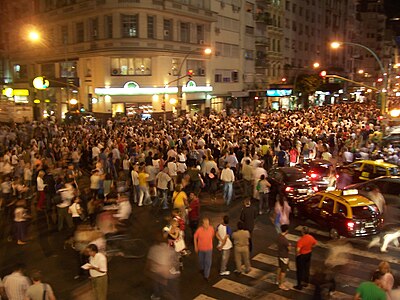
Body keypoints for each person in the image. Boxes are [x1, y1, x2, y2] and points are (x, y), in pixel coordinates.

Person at [194, 217, 215, 281]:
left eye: (208, 223)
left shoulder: (211, 229)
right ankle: (202, 269)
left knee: (208, 262)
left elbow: (212, 236)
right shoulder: (199, 230)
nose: (207, 225)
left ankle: (206, 275)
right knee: (201, 260)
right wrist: (196, 246)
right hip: (201, 249)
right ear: (202, 224)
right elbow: (195, 237)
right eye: (205, 224)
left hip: (209, 249)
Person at [277, 224, 291, 291]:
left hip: (279, 254)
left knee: (279, 267)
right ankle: (281, 284)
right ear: (287, 230)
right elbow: (289, 249)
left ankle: (277, 280)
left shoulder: (279, 236)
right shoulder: (285, 240)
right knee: (283, 271)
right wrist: (289, 245)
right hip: (284, 256)